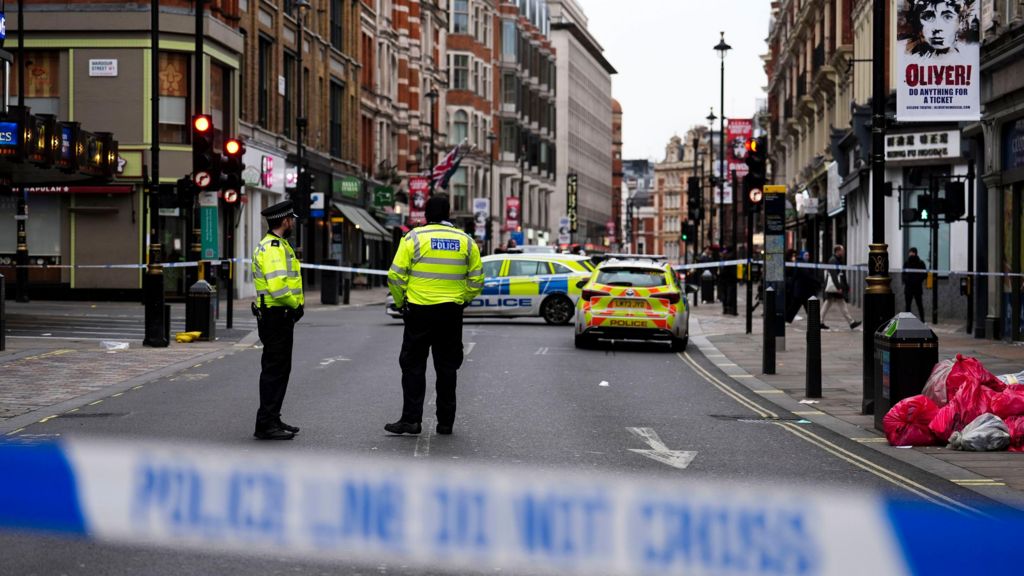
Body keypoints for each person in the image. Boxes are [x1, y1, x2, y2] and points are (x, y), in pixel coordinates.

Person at [386, 194, 484, 436]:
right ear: (448, 214)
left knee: (413, 366)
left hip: (419, 311)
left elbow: (395, 276)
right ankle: (445, 423)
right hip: (450, 312)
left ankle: (411, 420)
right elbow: (477, 279)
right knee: (447, 368)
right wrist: (463, 300)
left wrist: (401, 303)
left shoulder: (414, 238)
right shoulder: (466, 241)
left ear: (426, 215)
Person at [251, 200, 304, 440]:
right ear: (284, 221)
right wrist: (295, 305)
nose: (292, 222)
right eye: (291, 219)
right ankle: (265, 424)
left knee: (280, 370)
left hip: (278, 314)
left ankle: (272, 418)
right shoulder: (273, 247)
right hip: (276, 314)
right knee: (275, 371)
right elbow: (277, 286)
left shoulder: (278, 244)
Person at [821, 244, 862, 331]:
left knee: (831, 303)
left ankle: (820, 322)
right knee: (834, 303)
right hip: (834, 287)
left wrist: (846, 286)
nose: (843, 252)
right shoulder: (833, 260)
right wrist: (838, 287)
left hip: (836, 287)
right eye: (842, 250)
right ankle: (851, 322)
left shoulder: (837, 260)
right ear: (837, 251)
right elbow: (834, 275)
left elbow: (842, 275)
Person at [903, 247, 927, 319]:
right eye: (910, 252)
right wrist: (908, 281)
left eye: (912, 252)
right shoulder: (906, 263)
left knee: (919, 305)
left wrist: (917, 280)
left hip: (917, 288)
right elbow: (903, 275)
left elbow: (924, 274)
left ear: (915, 253)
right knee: (908, 306)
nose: (910, 254)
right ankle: (907, 321)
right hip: (908, 288)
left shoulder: (921, 263)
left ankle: (922, 320)